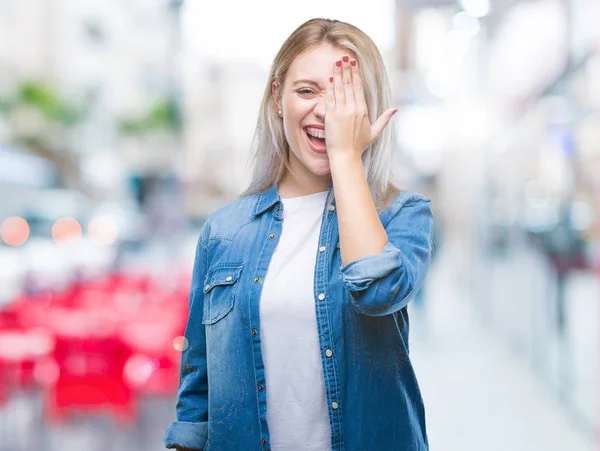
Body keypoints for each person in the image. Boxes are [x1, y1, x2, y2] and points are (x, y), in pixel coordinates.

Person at [164, 17, 433, 451]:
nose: (326, 111)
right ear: (277, 99)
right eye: (307, 90)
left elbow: (377, 289)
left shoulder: (402, 215)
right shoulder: (225, 231)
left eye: (346, 95)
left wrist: (346, 154)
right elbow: (198, 388)